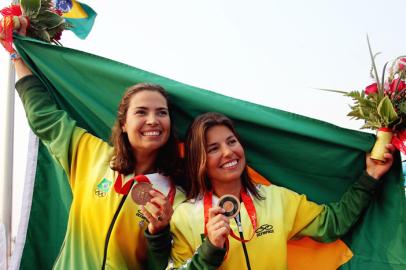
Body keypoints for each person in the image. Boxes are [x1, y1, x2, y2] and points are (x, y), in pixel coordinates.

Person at [2, 26, 185, 268]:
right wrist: (16, 55)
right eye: (141, 112)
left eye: (161, 113)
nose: (153, 120)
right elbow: (44, 117)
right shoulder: (90, 153)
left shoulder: (176, 198)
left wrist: (158, 234)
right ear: (123, 125)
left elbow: (154, 266)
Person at [166, 112, 394, 269]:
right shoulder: (184, 216)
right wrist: (209, 250)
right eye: (213, 148)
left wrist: (370, 176)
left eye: (232, 141)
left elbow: (332, 224)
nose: (228, 152)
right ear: (199, 161)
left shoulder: (276, 198)